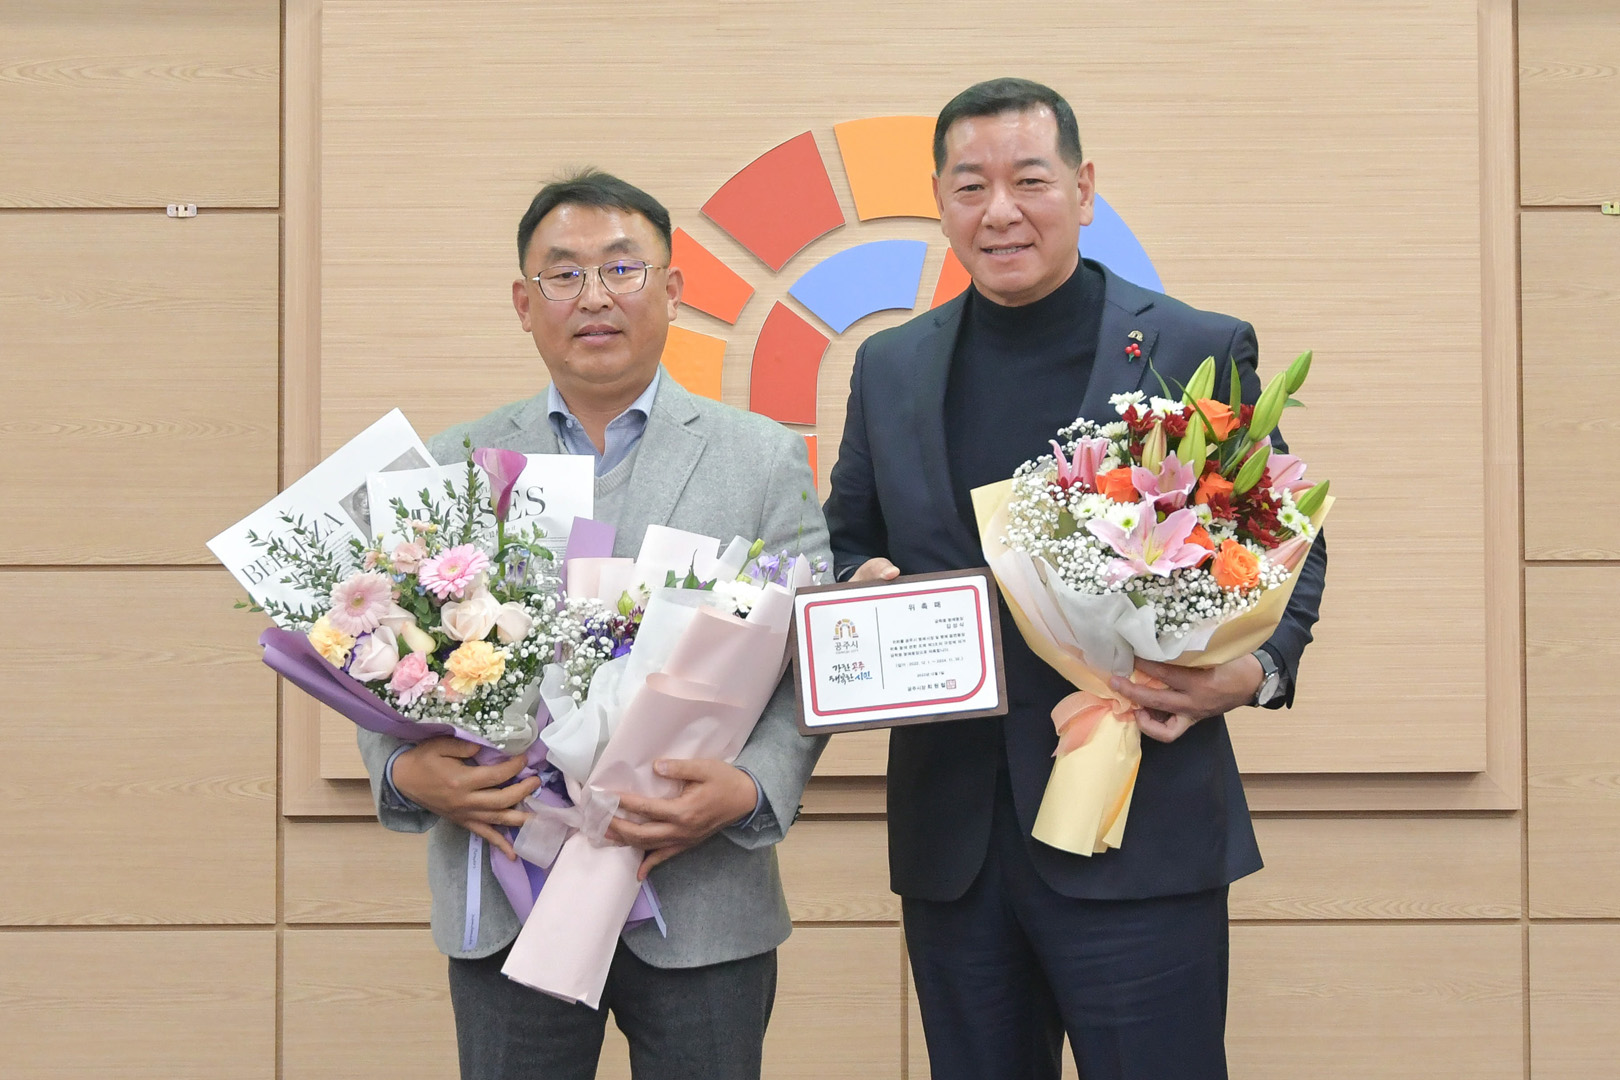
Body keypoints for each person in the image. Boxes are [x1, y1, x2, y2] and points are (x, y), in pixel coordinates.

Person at [823, 78, 1327, 1080]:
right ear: (940, 201)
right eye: (970, 186)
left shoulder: (1191, 347)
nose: (1000, 211)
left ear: (1084, 189)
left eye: (1030, 180)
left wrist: (1251, 672)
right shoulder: (890, 367)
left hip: (1144, 828)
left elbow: (1286, 542)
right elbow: (842, 542)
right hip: (958, 845)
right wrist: (862, 582)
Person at [356, 169, 830, 1080]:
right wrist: (405, 771)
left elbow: (809, 660)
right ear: (523, 304)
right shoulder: (454, 463)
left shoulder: (761, 459)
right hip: (509, 885)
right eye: (564, 274)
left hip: (697, 891)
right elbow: (382, 651)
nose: (595, 297)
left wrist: (750, 788)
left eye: (622, 268)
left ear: (673, 290)